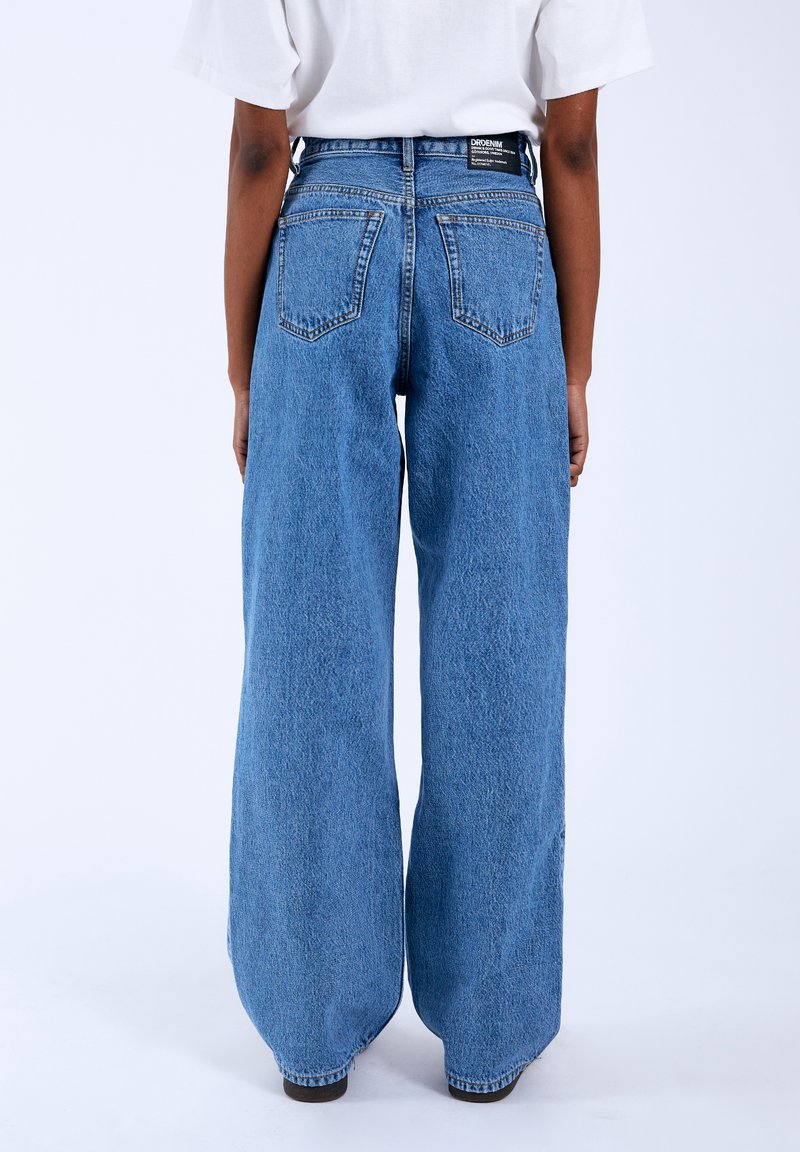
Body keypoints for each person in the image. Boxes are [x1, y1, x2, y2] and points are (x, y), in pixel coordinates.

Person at [175, 0, 654, 1104]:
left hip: (320, 230)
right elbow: (573, 143)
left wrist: (246, 372)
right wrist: (573, 368)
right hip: (497, 230)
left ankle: (310, 1028)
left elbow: (258, 148)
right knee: (502, 650)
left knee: (307, 647)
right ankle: (488, 1033)